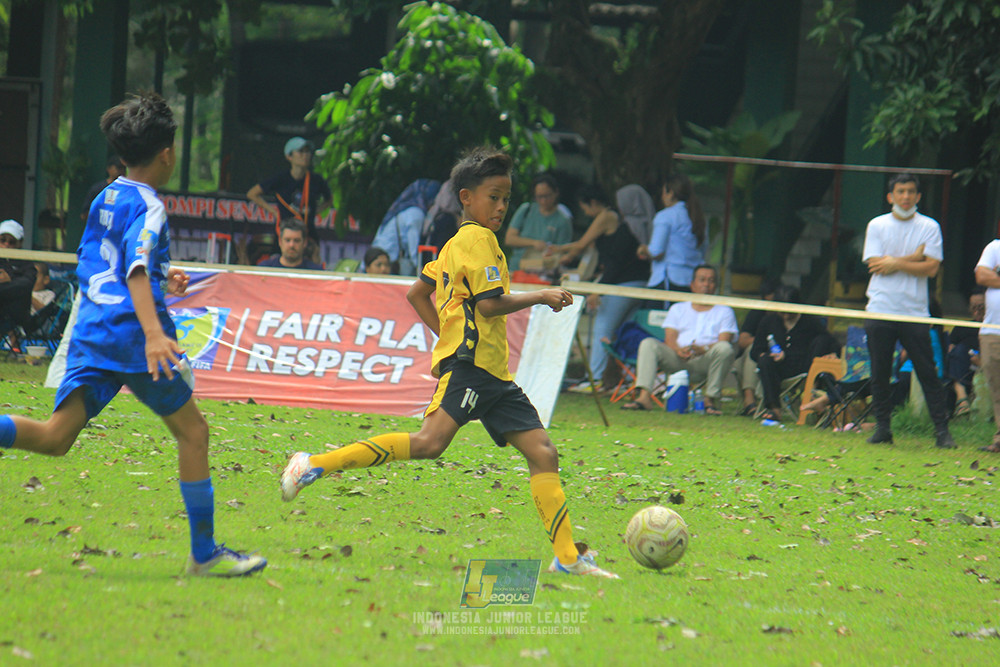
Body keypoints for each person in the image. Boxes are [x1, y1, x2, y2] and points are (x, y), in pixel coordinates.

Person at [279, 146, 618, 579]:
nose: (500, 206)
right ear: (465, 198)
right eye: (493, 196)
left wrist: (450, 333)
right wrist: (543, 294)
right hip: (472, 371)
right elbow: (491, 305)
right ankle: (313, 465)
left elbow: (418, 293)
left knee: (543, 453)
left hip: (495, 376)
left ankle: (568, 558)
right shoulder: (475, 240)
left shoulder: (458, 243)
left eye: (505, 198)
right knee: (429, 444)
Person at [0, 92, 266, 577]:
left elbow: (111, 262)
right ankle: (204, 554)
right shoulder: (151, 207)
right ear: (166, 154)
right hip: (130, 337)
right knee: (194, 432)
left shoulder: (107, 195)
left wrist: (167, 277)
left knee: (57, 438)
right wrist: (152, 334)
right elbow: (136, 271)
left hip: (91, 332)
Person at [862, 173, 955, 448]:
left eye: (911, 191)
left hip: (914, 311)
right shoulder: (877, 225)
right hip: (880, 307)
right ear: (891, 196)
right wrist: (913, 257)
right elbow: (876, 265)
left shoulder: (929, 226)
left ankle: (942, 432)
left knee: (927, 371)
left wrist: (896, 263)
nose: (905, 196)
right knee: (879, 371)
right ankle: (883, 429)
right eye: (900, 191)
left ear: (918, 196)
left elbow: (931, 268)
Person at [557, 184, 649, 392]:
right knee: (623, 331)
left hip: (624, 284)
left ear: (593, 203)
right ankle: (624, 378)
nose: (586, 214)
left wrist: (599, 289)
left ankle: (596, 378)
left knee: (602, 326)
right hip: (640, 284)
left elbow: (613, 262)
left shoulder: (612, 219)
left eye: (585, 208)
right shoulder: (636, 225)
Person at [622, 264, 737, 414]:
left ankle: (710, 400)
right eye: (702, 280)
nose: (706, 285)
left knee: (724, 348)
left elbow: (725, 340)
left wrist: (704, 349)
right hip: (678, 359)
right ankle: (644, 397)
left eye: (711, 281)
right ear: (692, 285)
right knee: (648, 344)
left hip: (706, 361)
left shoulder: (724, 310)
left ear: (716, 286)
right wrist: (678, 350)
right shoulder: (678, 308)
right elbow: (669, 338)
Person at [750, 285, 839, 421]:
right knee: (765, 362)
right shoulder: (768, 321)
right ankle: (774, 409)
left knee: (821, 340)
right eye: (782, 312)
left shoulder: (809, 321)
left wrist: (832, 352)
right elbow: (755, 350)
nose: (786, 316)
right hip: (777, 369)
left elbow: (830, 341)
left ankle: (812, 392)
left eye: (790, 311)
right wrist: (765, 355)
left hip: (804, 366)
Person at [246, 136, 331, 260]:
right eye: (301, 152)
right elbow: (252, 193)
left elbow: (329, 199)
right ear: (289, 156)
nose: (305, 155)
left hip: (308, 233)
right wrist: (274, 211)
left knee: (313, 265)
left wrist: (315, 211)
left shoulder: (316, 180)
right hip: (284, 233)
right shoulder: (281, 179)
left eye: (307, 152)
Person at [638, 173, 706, 306]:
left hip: (668, 280)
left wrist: (643, 249)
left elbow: (656, 251)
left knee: (658, 322)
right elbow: (703, 249)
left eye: (664, 192)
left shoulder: (666, 216)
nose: (662, 197)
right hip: (691, 281)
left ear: (671, 193)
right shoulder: (698, 217)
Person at [370, 179, 441, 275]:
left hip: (382, 250)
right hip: (385, 257)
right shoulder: (416, 214)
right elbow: (413, 248)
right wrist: (420, 272)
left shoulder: (407, 209)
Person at [505, 174, 573, 271]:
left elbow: (563, 250)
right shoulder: (526, 210)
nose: (543, 201)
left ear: (556, 193)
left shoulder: (563, 220)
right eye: (539, 197)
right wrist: (533, 243)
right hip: (517, 268)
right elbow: (509, 239)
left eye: (547, 196)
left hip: (543, 271)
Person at [735, 278, 779, 416]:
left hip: (777, 359)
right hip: (750, 356)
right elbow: (742, 341)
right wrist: (761, 340)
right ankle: (749, 399)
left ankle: (753, 402)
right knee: (753, 349)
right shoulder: (757, 313)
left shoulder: (784, 316)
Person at [974, 239, 1000, 452]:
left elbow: (990, 276)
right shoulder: (994, 247)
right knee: (997, 387)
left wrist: (997, 277)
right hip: (993, 331)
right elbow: (982, 275)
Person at [946, 288, 984, 417]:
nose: (976, 311)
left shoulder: (994, 329)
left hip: (983, 363)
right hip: (962, 363)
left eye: (981, 307)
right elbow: (951, 349)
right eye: (973, 307)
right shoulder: (961, 327)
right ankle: (962, 399)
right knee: (959, 350)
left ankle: (961, 400)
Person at [0, 220, 38, 342]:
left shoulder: (26, 262)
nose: (6, 244)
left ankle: (14, 342)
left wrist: (8, 280)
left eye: (11, 242)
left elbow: (27, 284)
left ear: (20, 243)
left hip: (16, 312)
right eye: (2, 240)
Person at [257, 220, 323, 270]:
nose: (291, 245)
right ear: (280, 242)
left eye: (296, 241)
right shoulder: (265, 269)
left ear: (304, 243)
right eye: (287, 240)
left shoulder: (315, 272)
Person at [80, 155, 125, 221]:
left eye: (123, 169)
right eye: (118, 168)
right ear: (109, 169)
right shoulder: (98, 189)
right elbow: (84, 215)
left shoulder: (126, 191)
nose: (120, 172)